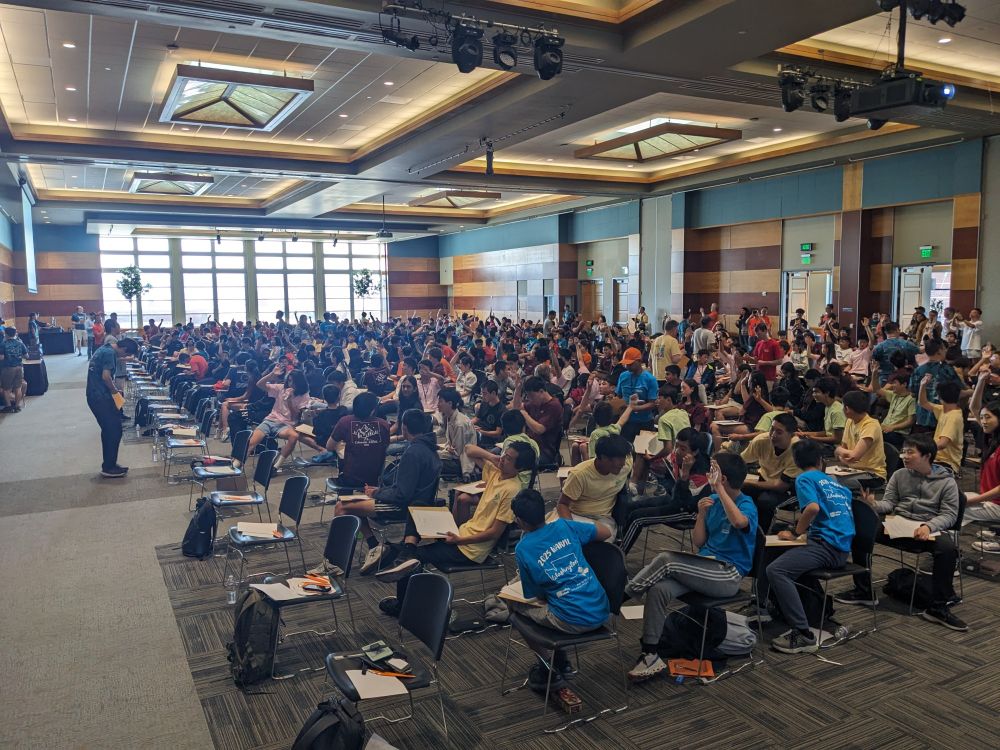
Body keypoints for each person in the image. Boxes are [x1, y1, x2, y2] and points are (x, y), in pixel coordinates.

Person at [626, 453, 758, 681]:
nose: (708, 475)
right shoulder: (713, 501)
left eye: (713, 471)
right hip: (707, 568)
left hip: (727, 575)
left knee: (666, 559)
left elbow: (739, 522)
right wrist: (701, 514)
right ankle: (650, 654)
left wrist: (720, 491)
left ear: (723, 479)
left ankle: (621, 596)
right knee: (659, 590)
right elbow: (698, 542)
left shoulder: (746, 504)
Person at [374, 441, 537, 616]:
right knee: (417, 506)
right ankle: (404, 552)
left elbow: (494, 533)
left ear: (519, 468)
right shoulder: (497, 473)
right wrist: (493, 456)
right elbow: (468, 449)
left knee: (415, 557)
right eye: (504, 454)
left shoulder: (512, 489)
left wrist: (460, 539)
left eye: (509, 459)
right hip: (462, 533)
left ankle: (403, 601)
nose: (503, 459)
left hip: (470, 549)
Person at [837, 434, 966, 631]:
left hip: (927, 528)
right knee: (861, 531)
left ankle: (938, 608)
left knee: (948, 549)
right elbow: (889, 504)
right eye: (904, 451)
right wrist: (873, 504)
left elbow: (949, 515)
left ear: (927, 456)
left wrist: (929, 526)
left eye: (910, 452)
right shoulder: (899, 475)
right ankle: (863, 591)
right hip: (899, 524)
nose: (904, 456)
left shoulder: (946, 482)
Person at [508, 488, 612, 692]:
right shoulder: (565, 526)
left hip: (571, 621)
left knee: (512, 607)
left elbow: (534, 595)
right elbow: (606, 532)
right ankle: (559, 658)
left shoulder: (523, 548)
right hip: (602, 610)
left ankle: (548, 664)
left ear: (520, 521)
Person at [761, 439, 855, 654]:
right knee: (775, 549)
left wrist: (796, 533)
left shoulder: (804, 478)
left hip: (827, 547)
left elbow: (812, 508)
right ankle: (763, 605)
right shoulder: (835, 482)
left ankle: (804, 634)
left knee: (776, 570)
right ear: (821, 461)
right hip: (839, 545)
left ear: (795, 461)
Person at [336, 409, 442, 574]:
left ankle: (336, 560)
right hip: (414, 503)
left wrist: (376, 494)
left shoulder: (413, 452)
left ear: (404, 428)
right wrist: (380, 491)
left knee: (342, 507)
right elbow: (406, 487)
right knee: (351, 503)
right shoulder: (429, 448)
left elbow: (402, 495)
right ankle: (375, 547)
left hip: (403, 507)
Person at [618, 427, 713, 554]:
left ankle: (620, 553)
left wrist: (685, 475)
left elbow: (684, 502)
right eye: (677, 445)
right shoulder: (677, 457)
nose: (677, 451)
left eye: (683, 449)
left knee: (637, 519)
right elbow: (668, 480)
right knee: (629, 507)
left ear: (695, 452)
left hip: (689, 511)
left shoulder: (701, 473)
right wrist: (653, 460)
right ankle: (619, 540)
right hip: (673, 499)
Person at [556, 434, 632, 535]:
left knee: (602, 539)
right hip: (575, 515)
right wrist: (570, 528)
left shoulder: (626, 465)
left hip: (602, 519)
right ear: (604, 457)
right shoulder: (579, 474)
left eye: (624, 457)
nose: (623, 463)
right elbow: (562, 504)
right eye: (619, 459)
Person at [740, 413, 803, 534]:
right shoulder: (761, 440)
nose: (773, 435)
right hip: (764, 479)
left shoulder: (797, 450)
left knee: (765, 501)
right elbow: (741, 461)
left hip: (789, 490)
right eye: (772, 429)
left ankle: (759, 535)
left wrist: (749, 482)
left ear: (791, 435)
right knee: (739, 492)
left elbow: (780, 486)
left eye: (779, 432)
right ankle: (743, 528)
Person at [86, 336, 138, 477]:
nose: (125, 357)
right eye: (126, 354)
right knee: (114, 430)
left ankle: (109, 463)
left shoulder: (106, 348)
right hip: (101, 396)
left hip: (95, 395)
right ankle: (108, 467)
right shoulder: (110, 354)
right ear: (124, 349)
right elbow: (106, 376)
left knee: (110, 430)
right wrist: (116, 392)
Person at [244, 364, 311, 471]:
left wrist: (289, 401)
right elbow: (259, 384)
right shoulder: (281, 388)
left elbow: (295, 417)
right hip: (271, 419)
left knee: (294, 436)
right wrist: (272, 375)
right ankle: (237, 466)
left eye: (293, 382)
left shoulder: (303, 395)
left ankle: (276, 466)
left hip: (287, 424)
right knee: (252, 442)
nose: (291, 384)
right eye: (289, 381)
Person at [632, 385, 689, 495]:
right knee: (643, 441)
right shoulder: (683, 412)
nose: (657, 401)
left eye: (660, 398)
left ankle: (636, 486)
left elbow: (667, 449)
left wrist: (652, 458)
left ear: (668, 400)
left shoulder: (664, 419)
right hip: (684, 449)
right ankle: (637, 486)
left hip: (672, 455)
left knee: (643, 452)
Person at [964, 375, 1000, 539]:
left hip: (996, 505)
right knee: (951, 499)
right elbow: (974, 407)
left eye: (988, 418)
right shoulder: (990, 437)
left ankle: (948, 553)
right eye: (983, 417)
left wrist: (975, 500)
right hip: (989, 501)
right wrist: (980, 381)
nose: (983, 421)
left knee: (957, 510)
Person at [329, 391, 390, 485]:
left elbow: (329, 446)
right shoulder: (384, 424)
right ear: (373, 409)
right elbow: (385, 446)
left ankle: (344, 497)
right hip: (374, 477)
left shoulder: (344, 422)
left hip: (350, 476)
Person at [833, 390, 887, 494]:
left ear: (847, 408)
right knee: (822, 478)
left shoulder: (871, 425)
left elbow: (854, 456)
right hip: (853, 471)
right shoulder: (850, 421)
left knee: (831, 483)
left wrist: (839, 450)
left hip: (873, 475)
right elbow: (843, 454)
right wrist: (843, 455)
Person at [910, 338, 965, 431]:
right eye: (944, 349)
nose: (946, 351)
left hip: (922, 415)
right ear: (939, 351)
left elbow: (912, 392)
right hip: (942, 413)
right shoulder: (947, 370)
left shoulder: (918, 370)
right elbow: (958, 390)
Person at [511, 376, 563, 466]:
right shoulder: (535, 403)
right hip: (529, 445)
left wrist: (524, 414)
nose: (529, 399)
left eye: (531, 396)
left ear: (541, 391)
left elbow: (539, 429)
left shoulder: (554, 406)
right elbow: (516, 408)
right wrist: (518, 389)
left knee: (513, 461)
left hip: (544, 451)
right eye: (528, 396)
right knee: (500, 453)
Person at [917, 377, 963, 476]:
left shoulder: (953, 417)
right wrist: (922, 385)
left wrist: (921, 449)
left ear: (939, 397)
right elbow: (923, 402)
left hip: (946, 463)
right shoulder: (944, 409)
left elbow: (942, 444)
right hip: (935, 459)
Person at [615, 347, 660, 441]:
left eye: (630, 364)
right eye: (626, 364)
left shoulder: (650, 379)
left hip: (644, 422)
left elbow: (653, 403)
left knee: (642, 451)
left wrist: (636, 408)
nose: (627, 367)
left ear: (639, 361)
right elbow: (618, 395)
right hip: (625, 421)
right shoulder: (623, 376)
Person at [868, 369, 915, 450]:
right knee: (867, 428)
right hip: (885, 429)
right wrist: (874, 374)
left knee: (873, 435)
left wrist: (892, 427)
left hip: (898, 433)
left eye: (895, 383)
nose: (892, 385)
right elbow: (877, 389)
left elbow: (910, 421)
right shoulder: (894, 395)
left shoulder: (911, 399)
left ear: (904, 384)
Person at [798, 376, 845, 452]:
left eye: (816, 392)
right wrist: (804, 434)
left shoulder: (837, 411)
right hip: (829, 444)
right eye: (813, 392)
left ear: (827, 393)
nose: (813, 395)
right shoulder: (828, 406)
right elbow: (827, 432)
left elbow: (837, 439)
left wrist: (813, 438)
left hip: (835, 447)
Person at [438, 387, 476, 479]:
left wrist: (443, 450)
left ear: (450, 403)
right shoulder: (449, 416)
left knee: (431, 460)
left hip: (462, 462)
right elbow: (450, 445)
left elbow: (457, 453)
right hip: (455, 456)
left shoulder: (460, 423)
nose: (438, 404)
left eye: (440, 401)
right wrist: (446, 448)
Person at [871, 322, 919, 386]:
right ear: (897, 330)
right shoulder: (906, 344)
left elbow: (874, 364)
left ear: (885, 332)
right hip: (902, 380)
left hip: (884, 379)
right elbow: (920, 350)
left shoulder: (878, 347)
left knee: (882, 395)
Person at [0, 326, 29, 412]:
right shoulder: (20, 343)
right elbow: (26, 356)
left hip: (8, 368)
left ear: (6, 334)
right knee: (18, 388)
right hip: (19, 367)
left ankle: (8, 406)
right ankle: (17, 406)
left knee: (6, 389)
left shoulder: (3, 344)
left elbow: (1, 358)